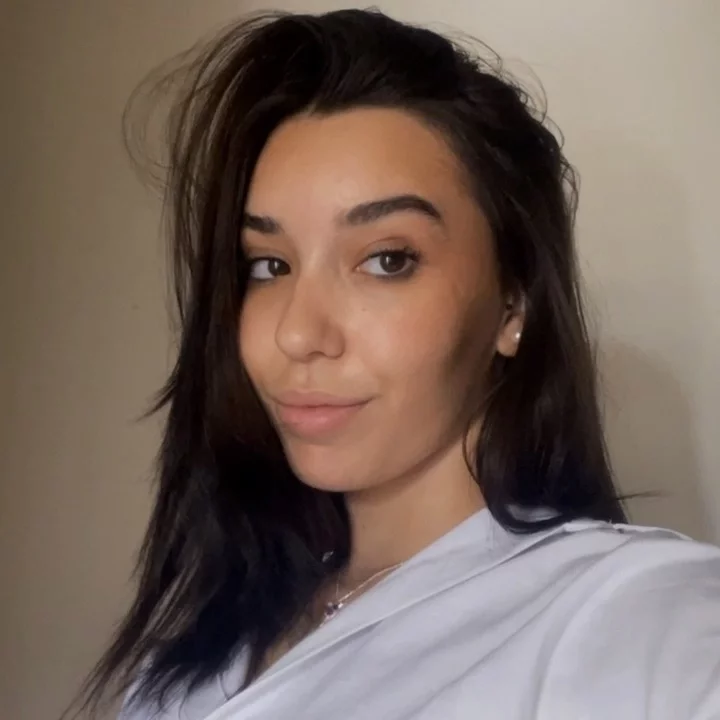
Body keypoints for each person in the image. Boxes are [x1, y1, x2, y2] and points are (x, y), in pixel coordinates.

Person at [73, 8, 720, 720]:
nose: (298, 333)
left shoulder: (640, 616)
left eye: (387, 260)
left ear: (512, 304)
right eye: (268, 265)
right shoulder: (195, 650)